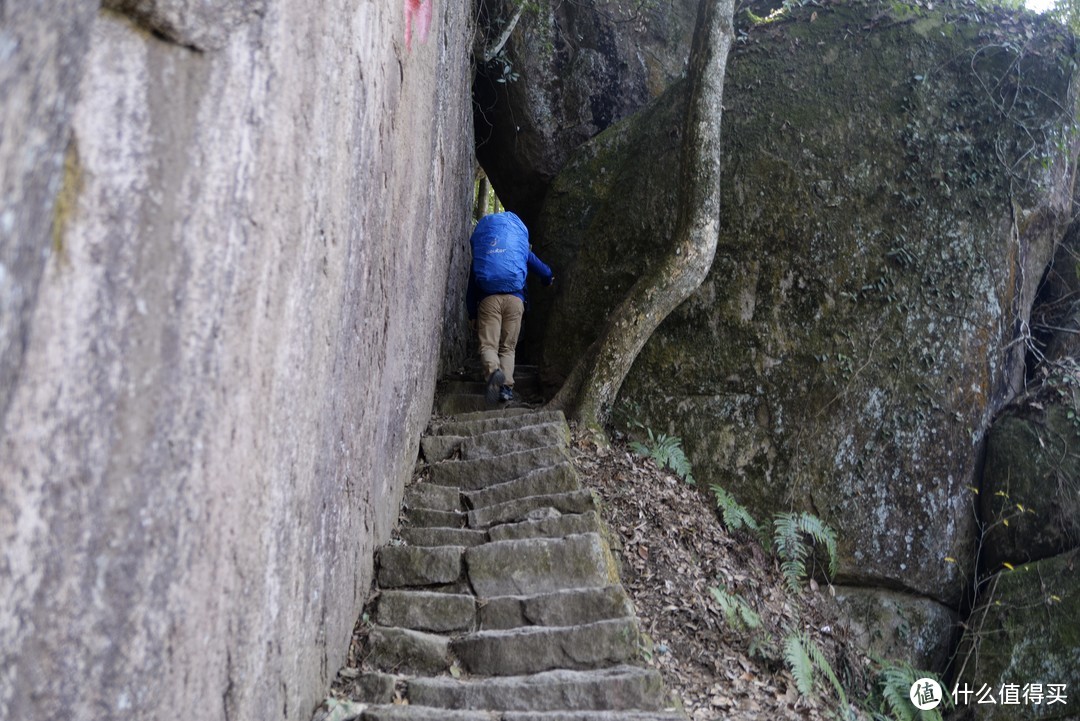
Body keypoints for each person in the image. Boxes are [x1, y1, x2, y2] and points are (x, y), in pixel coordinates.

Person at [466, 211, 554, 403]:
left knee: (489, 345)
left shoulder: (484, 252)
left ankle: (494, 373)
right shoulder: (519, 247)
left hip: (488, 300)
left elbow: (472, 285)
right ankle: (506, 388)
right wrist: (548, 279)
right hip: (515, 301)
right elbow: (542, 268)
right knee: (508, 348)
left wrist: (472, 312)